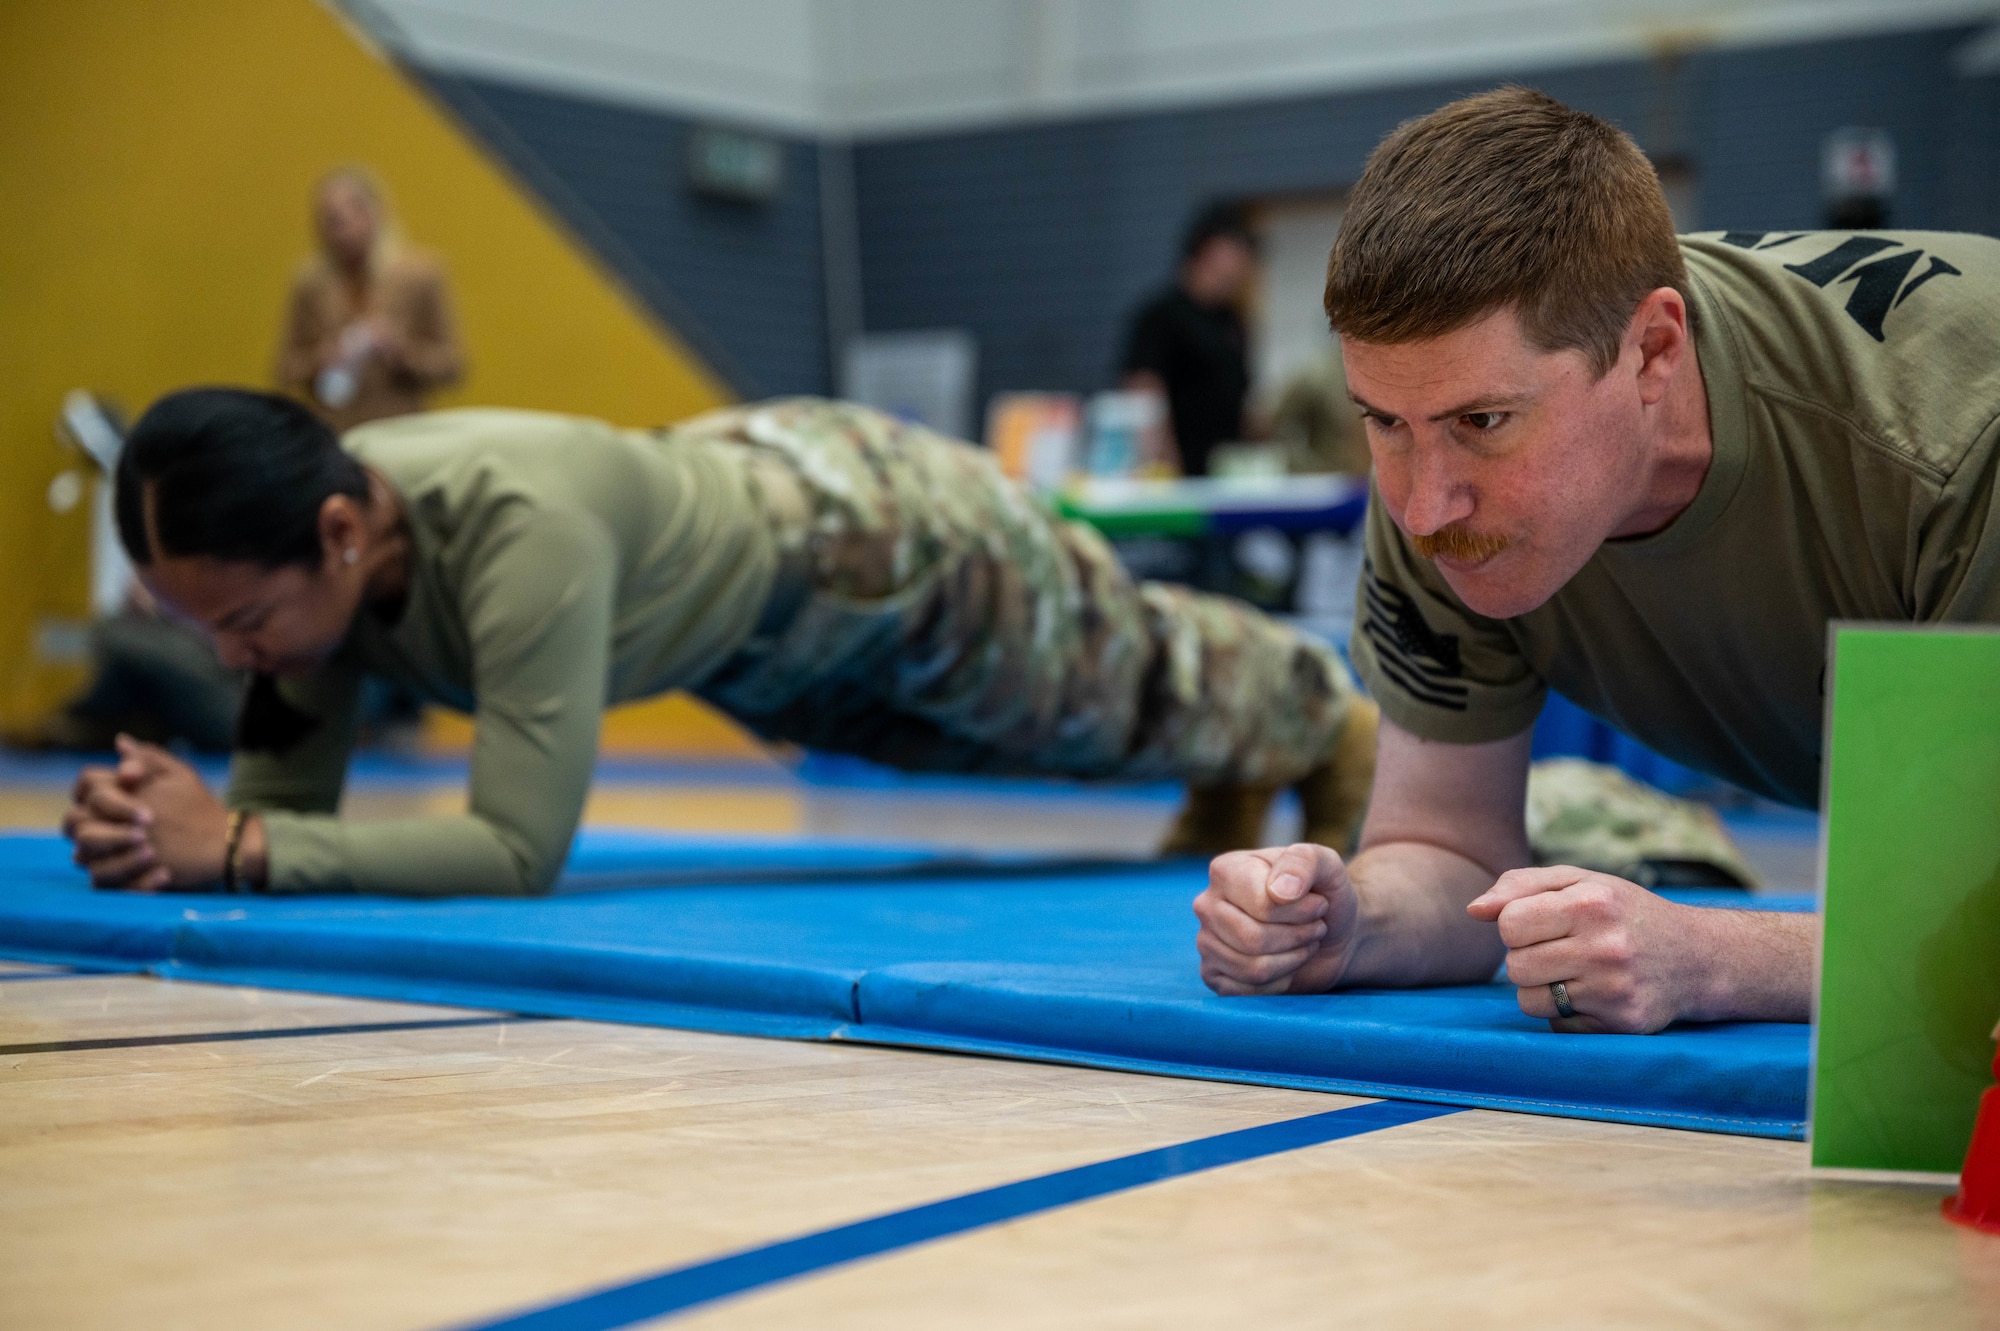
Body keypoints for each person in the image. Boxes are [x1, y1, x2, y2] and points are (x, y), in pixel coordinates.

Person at [1193, 88, 2000, 1034]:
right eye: (1383, 422)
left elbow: (1970, 932)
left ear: (1654, 350)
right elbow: (1446, 843)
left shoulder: (1954, 447)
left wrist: (1712, 958)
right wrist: (1349, 923)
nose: (1424, 503)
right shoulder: (1438, 471)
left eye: (1483, 422)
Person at [59, 391, 1376, 896]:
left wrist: (233, 840)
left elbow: (517, 849)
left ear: (343, 531)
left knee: (1101, 683)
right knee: (1016, 742)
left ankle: (1329, 718)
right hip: (758, 629)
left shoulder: (517, 530)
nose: (233, 659)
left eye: (239, 623)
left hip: (869, 531)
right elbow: (284, 808)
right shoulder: (311, 572)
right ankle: (1227, 779)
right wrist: (170, 829)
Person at [275, 167, 465, 431]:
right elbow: (285, 368)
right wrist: (321, 358)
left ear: (376, 213)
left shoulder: (420, 275)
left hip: (398, 430)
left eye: (351, 215)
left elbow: (453, 365)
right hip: (332, 431)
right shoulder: (310, 283)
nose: (343, 230)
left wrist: (401, 352)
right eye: (331, 220)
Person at [1120, 204, 1258, 477]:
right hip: (1180, 470)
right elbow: (1143, 388)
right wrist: (1163, 463)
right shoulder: (1162, 316)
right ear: (1206, 253)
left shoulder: (1231, 321)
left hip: (1223, 469)